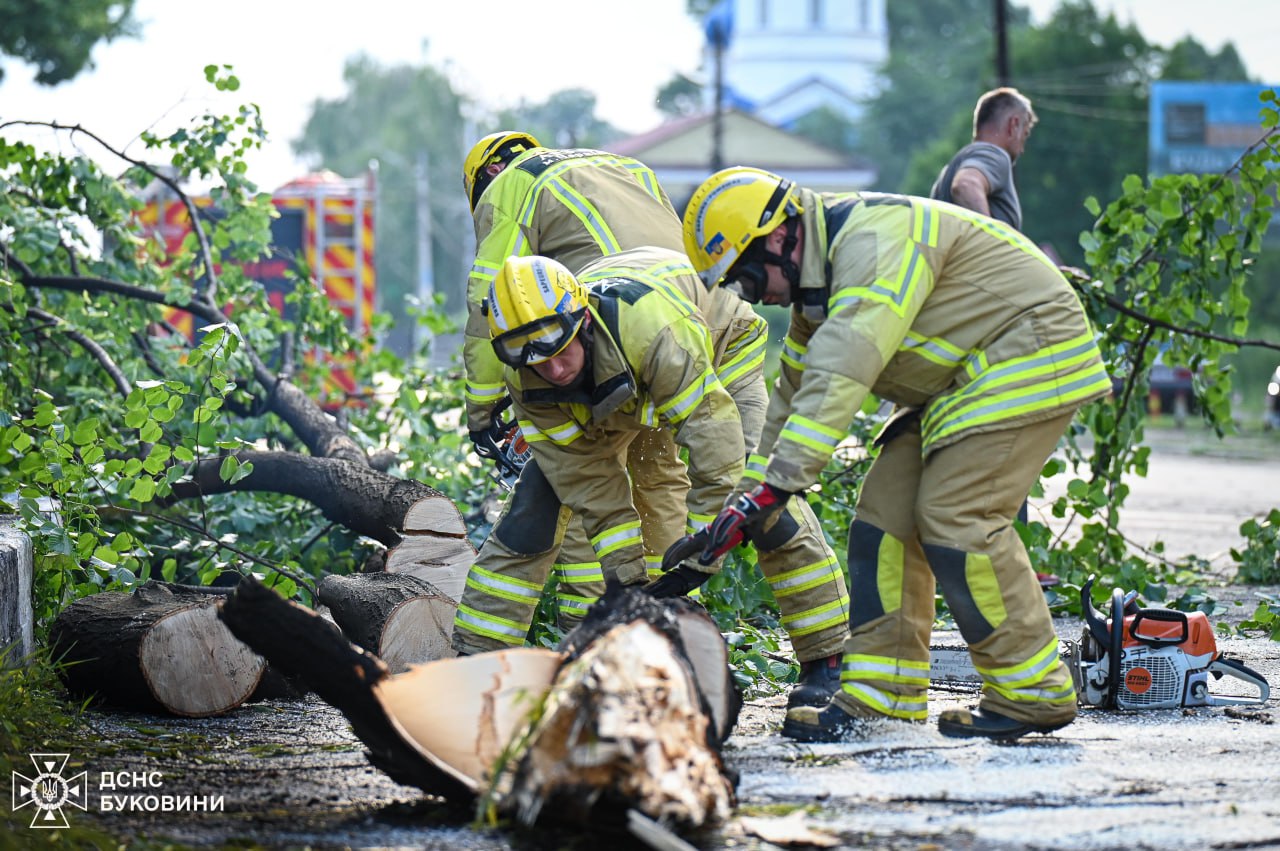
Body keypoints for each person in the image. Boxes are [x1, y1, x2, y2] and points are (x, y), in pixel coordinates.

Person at [680, 166, 1111, 741]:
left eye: (748, 277)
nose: (755, 296)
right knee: (881, 521)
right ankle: (884, 697)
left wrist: (772, 492)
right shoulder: (819, 288)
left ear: (779, 236)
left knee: (957, 517)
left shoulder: (870, 241)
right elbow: (789, 404)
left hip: (1028, 351)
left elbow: (841, 370)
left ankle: (1033, 692)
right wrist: (741, 508)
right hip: (959, 382)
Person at [452, 248, 851, 709]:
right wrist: (630, 585)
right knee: (539, 500)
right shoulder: (531, 382)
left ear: (582, 320)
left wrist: (705, 549)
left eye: (560, 351)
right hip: (628, 378)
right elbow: (591, 487)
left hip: (717, 343)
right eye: (536, 363)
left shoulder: (655, 332)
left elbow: (713, 445)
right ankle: (477, 670)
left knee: (759, 493)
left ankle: (830, 658)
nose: (554, 371)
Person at [460, 130, 691, 622]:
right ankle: (667, 615)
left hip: (601, 346)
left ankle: (590, 625)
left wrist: (483, 410)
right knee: (658, 474)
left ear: (488, 175)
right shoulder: (624, 168)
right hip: (676, 333)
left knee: (585, 478)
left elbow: (488, 307)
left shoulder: (508, 187)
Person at [928, 87, 1059, 590]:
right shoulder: (989, 157)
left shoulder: (959, 161)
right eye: (1025, 129)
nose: (1024, 141)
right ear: (1012, 125)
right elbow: (968, 186)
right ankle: (1007, 569)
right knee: (1011, 430)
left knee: (985, 439)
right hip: (987, 331)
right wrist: (1000, 253)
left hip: (963, 328)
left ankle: (985, 562)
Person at [929, 86, 1035, 230]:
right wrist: (990, 241)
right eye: (1025, 134)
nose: (1022, 150)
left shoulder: (946, 175)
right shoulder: (994, 154)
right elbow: (965, 185)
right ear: (1013, 125)